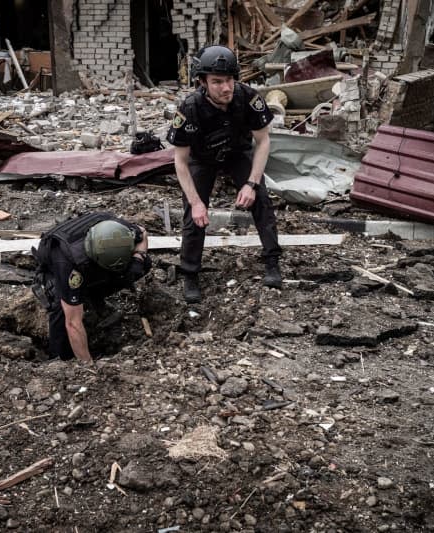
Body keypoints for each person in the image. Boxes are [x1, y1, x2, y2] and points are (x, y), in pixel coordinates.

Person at [166, 45, 281, 303]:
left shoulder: (248, 98)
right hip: (201, 159)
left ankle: (272, 262)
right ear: (203, 82)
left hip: (236, 152)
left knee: (261, 199)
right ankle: (190, 274)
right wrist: (196, 203)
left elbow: (263, 142)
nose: (226, 88)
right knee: (193, 215)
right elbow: (180, 161)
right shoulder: (189, 109)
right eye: (217, 82)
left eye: (229, 80)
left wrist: (251, 183)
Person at [32, 212, 150, 366]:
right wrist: (88, 365)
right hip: (56, 260)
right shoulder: (69, 265)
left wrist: (138, 257)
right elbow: (73, 323)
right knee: (62, 309)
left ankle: (93, 295)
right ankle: (58, 357)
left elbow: (143, 232)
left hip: (96, 260)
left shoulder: (120, 231)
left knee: (142, 265)